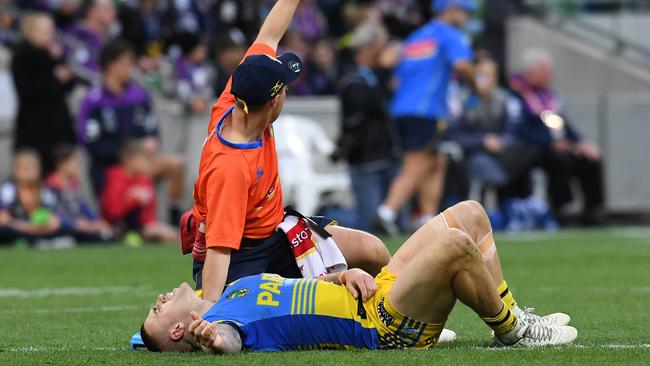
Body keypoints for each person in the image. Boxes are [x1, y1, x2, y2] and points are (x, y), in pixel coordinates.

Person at [139, 200, 576, 352]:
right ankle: (513, 330)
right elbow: (231, 344)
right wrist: (213, 340)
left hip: (369, 294)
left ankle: (513, 319)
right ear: (179, 329)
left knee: (470, 216)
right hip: (381, 324)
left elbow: (299, 289)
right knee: (456, 246)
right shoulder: (223, 324)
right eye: (156, 313)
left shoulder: (231, 290)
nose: (157, 300)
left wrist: (342, 275)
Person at [188, 0, 391, 305]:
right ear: (272, 103)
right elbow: (219, 250)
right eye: (284, 88)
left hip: (276, 233)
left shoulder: (240, 97)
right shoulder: (230, 167)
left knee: (373, 250)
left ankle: (387, 311)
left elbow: (269, 35)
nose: (287, 93)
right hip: (245, 258)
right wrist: (210, 313)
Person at [375, 0, 477, 235]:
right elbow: (462, 65)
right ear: (450, 10)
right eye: (464, 11)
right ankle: (386, 212)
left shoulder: (416, 38)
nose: (466, 17)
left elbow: (395, 77)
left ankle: (427, 219)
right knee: (416, 165)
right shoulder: (450, 35)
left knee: (436, 161)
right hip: (427, 111)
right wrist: (476, 86)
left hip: (401, 109)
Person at [78, 39, 184, 224]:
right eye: (127, 63)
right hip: (110, 166)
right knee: (135, 170)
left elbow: (151, 129)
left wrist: (150, 145)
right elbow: (89, 142)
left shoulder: (139, 95)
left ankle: (176, 221)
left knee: (176, 164)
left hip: (142, 162)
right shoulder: (94, 100)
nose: (131, 68)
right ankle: (128, 224)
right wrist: (128, 155)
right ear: (111, 65)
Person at [509, 49, 605, 225]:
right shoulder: (516, 95)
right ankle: (562, 209)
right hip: (533, 149)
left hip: (560, 145)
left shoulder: (549, 96)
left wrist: (581, 142)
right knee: (559, 160)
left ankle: (593, 211)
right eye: (546, 72)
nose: (550, 76)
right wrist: (551, 143)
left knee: (590, 160)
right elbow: (520, 129)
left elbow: (563, 123)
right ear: (531, 72)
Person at [332, 22, 401, 232]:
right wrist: (385, 73)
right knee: (371, 228)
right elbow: (373, 105)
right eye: (381, 46)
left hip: (388, 158)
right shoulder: (352, 82)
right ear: (367, 49)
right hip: (365, 162)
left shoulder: (377, 77)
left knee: (397, 227)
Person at [11, 12, 76, 175]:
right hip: (35, 130)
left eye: (50, 30)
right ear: (30, 31)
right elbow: (27, 91)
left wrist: (59, 60)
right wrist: (55, 78)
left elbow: (68, 87)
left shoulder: (53, 54)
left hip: (58, 128)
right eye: (44, 31)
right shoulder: (21, 56)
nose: (49, 35)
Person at [100, 140, 177, 242]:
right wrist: (132, 198)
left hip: (144, 227)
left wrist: (151, 226)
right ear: (131, 160)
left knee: (175, 235)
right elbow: (112, 212)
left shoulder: (144, 180)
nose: (148, 163)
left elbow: (149, 212)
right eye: (144, 159)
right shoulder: (116, 178)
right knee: (171, 236)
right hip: (119, 228)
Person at [46, 144, 114, 243]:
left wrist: (98, 221)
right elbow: (52, 213)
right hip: (64, 227)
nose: (77, 166)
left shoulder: (74, 185)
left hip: (81, 226)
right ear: (60, 163)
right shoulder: (51, 185)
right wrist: (75, 223)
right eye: (73, 162)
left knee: (108, 235)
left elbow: (84, 207)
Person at [0, 149, 62, 244]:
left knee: (58, 225)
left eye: (33, 168)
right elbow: (3, 218)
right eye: (25, 168)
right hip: (15, 228)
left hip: (37, 227)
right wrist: (26, 226)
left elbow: (53, 219)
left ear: (39, 170)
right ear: (15, 171)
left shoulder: (44, 191)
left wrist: (40, 223)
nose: (29, 172)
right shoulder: (8, 189)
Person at [64, 0, 117, 81]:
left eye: (113, 9)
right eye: (107, 9)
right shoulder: (77, 32)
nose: (113, 13)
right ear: (91, 11)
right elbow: (71, 62)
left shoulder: (109, 39)